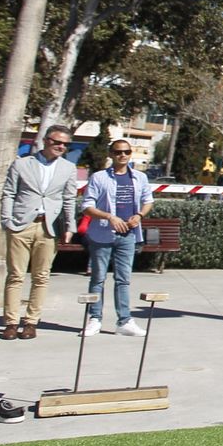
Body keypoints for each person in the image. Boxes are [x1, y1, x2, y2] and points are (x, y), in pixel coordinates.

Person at [0, 124, 80, 340]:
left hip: (49, 227)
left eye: (66, 144)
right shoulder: (22, 163)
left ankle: (31, 322)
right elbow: (9, 193)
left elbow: (69, 199)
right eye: (57, 142)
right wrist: (7, 220)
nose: (61, 146)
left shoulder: (68, 168)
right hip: (21, 225)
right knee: (15, 275)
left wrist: (70, 226)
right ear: (46, 141)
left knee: (41, 276)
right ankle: (11, 323)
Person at [80, 139, 155, 337]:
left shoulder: (139, 177)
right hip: (102, 234)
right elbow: (87, 206)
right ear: (111, 154)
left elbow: (148, 201)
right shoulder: (99, 177)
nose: (122, 155)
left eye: (126, 152)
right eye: (118, 152)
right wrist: (109, 217)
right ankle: (94, 319)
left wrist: (139, 215)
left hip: (128, 235)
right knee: (98, 278)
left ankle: (124, 321)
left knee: (123, 279)